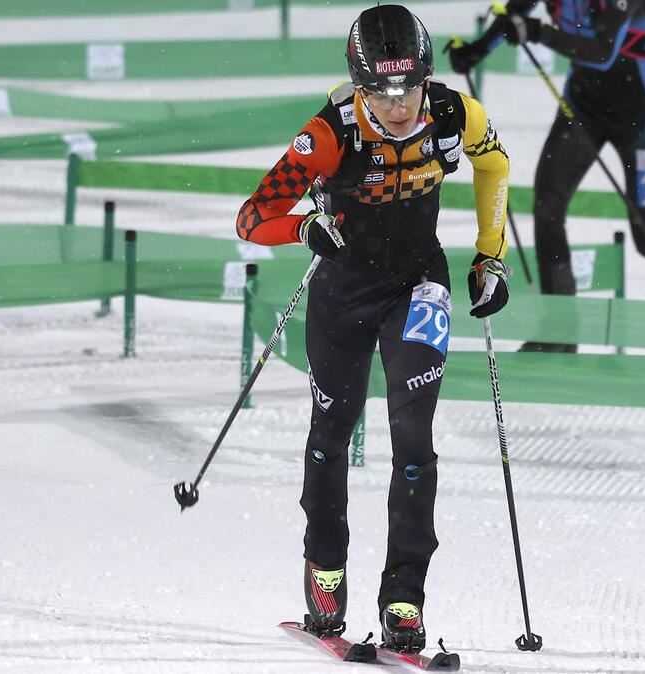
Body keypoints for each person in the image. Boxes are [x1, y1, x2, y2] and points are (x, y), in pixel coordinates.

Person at [235, 4, 512, 653]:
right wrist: (304, 225)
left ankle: (404, 599)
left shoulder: (455, 114)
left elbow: (494, 166)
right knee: (333, 430)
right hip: (343, 292)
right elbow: (252, 217)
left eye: (408, 89)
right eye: (382, 92)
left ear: (425, 78)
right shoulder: (330, 132)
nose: (398, 105)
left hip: (420, 284)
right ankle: (325, 574)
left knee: (413, 436)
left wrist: (490, 254)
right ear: (360, 85)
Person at [448, 0, 645, 353]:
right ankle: (561, 329)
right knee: (548, 206)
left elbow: (603, 53)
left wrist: (536, 32)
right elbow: (514, 14)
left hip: (641, 110)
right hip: (584, 104)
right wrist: (474, 52)